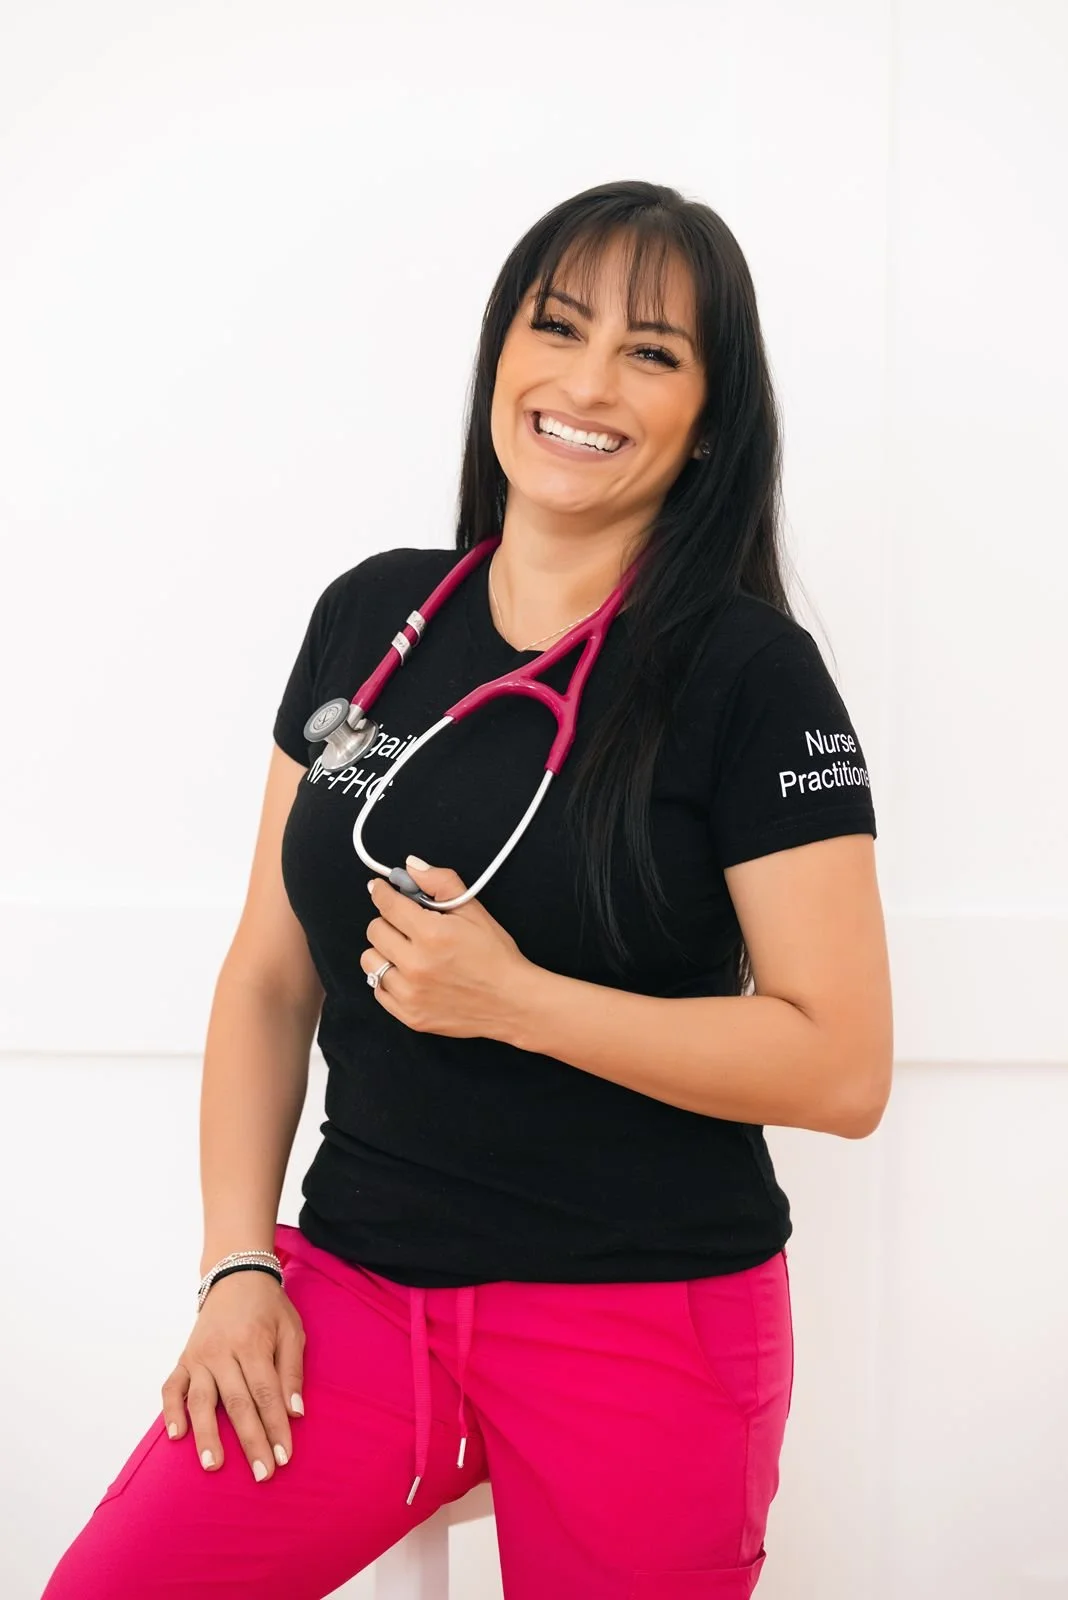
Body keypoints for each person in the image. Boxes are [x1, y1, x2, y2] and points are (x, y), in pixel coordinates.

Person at [41, 179, 892, 1600]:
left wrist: (517, 1001)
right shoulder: (367, 616)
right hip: (360, 1295)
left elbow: (841, 1065)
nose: (587, 381)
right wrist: (237, 1264)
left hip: (644, 1319)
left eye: (651, 352)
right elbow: (270, 975)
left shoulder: (753, 676)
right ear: (501, 351)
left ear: (709, 418)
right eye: (557, 327)